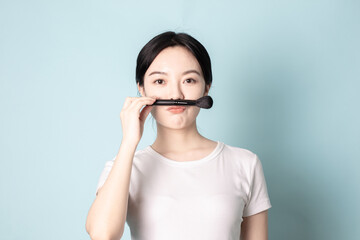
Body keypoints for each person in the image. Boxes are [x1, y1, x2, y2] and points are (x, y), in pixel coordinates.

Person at [85, 31, 272, 240]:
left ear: (206, 88)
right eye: (160, 82)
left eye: (189, 80)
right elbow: (102, 235)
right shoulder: (123, 167)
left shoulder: (245, 164)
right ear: (141, 88)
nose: (175, 95)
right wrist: (129, 143)